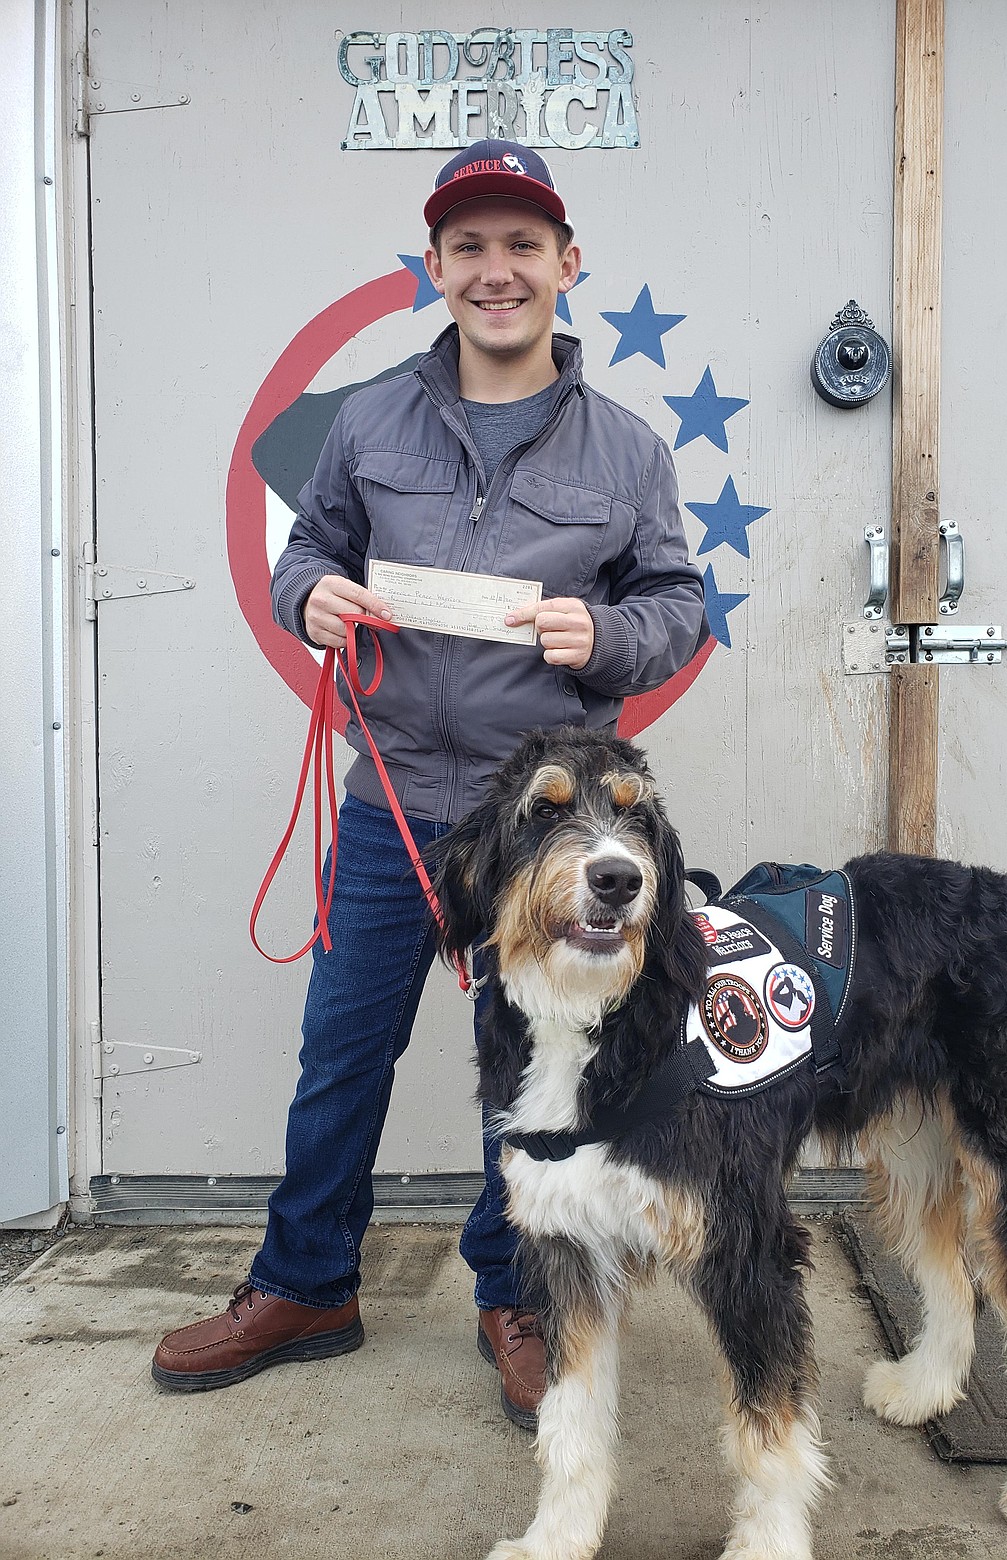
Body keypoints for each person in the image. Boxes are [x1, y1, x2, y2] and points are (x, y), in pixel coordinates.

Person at [152, 139, 708, 1428]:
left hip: (539, 829)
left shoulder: (627, 450)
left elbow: (676, 603)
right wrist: (311, 597)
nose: (495, 270)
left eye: (522, 245)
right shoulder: (369, 420)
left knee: (531, 1066)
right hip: (390, 804)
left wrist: (606, 635)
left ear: (568, 265)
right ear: (437, 267)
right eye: (469, 247)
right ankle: (306, 1284)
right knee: (342, 1050)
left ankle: (519, 1296)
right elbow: (312, 548)